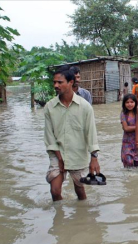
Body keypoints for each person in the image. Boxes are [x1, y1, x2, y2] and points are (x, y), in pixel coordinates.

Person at [44, 66, 100, 201]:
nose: (56, 85)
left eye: (60, 82)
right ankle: (59, 218)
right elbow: (49, 136)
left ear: (70, 82)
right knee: (55, 191)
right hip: (57, 154)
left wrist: (94, 157)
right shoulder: (50, 107)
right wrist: (60, 158)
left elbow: (91, 133)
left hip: (77, 153)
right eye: (54, 82)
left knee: (80, 189)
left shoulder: (85, 106)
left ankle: (82, 216)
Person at [120, 94, 138, 168]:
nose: (129, 104)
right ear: (124, 104)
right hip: (127, 142)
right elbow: (126, 128)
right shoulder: (123, 114)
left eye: (132, 102)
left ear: (135, 103)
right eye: (127, 102)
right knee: (128, 162)